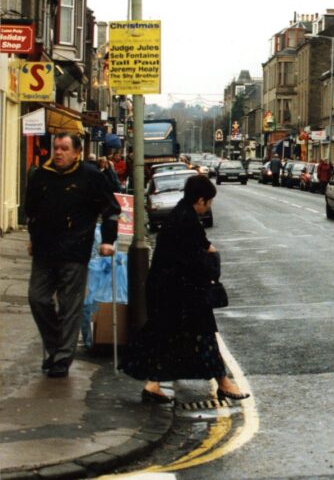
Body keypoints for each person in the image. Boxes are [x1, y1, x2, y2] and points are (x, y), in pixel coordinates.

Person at [121, 175, 249, 404]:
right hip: (180, 292)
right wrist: (211, 272)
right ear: (200, 200)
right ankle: (223, 382)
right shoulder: (187, 220)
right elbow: (199, 254)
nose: (209, 206)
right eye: (209, 202)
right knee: (204, 335)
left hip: (168, 289)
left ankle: (153, 384)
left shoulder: (180, 215)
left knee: (165, 336)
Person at [26, 133, 120, 378]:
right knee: (37, 298)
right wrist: (32, 238)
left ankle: (61, 359)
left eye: (64, 148)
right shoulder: (40, 175)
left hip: (74, 249)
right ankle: (56, 345)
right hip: (45, 250)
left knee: (69, 306)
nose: (58, 153)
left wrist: (108, 240)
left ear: (77, 153)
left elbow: (111, 209)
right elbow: (31, 210)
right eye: (56, 148)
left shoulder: (91, 177)